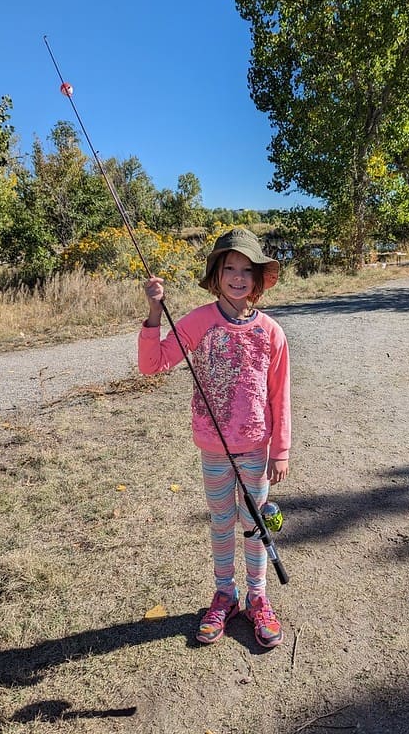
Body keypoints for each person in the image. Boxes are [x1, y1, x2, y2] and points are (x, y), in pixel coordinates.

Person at [138, 228, 290, 648]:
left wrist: (280, 450)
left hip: (257, 449)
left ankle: (258, 596)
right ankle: (226, 594)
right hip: (213, 449)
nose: (238, 277)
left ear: (258, 280)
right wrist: (155, 311)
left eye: (247, 270)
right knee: (222, 524)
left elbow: (280, 395)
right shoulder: (198, 321)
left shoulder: (272, 332)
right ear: (216, 274)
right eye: (230, 268)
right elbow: (153, 364)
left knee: (256, 525)